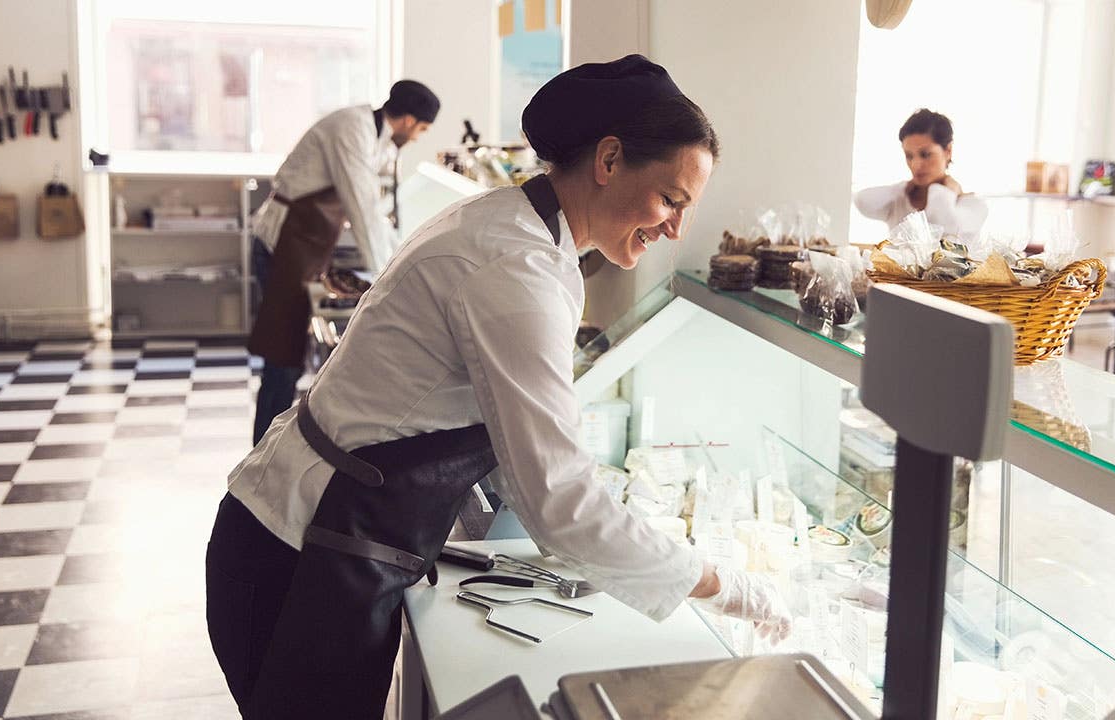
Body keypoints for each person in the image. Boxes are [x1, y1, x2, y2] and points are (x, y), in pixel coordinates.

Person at [206, 55, 792, 719]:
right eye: (670, 199)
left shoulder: (515, 227)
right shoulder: (515, 266)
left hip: (311, 539)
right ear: (608, 159)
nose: (675, 229)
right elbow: (560, 504)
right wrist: (721, 585)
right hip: (298, 558)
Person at [248, 80, 440, 445]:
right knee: (282, 361)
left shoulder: (374, 137)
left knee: (287, 359)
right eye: (422, 130)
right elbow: (362, 208)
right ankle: (260, 456)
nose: (418, 138)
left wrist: (400, 254)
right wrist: (391, 278)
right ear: (409, 120)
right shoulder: (353, 130)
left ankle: (268, 450)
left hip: (302, 249)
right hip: (281, 245)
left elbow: (377, 214)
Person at [854, 108, 987, 239]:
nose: (915, 165)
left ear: (948, 151)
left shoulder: (973, 205)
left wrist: (948, 190)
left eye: (926, 154)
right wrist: (902, 187)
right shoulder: (899, 199)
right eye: (909, 156)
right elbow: (862, 200)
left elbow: (942, 228)